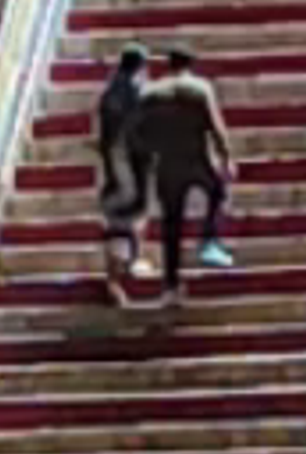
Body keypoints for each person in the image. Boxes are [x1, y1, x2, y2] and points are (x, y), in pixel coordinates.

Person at [131, 50, 235, 294]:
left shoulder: (150, 93)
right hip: (195, 158)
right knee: (217, 190)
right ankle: (208, 239)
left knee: (171, 224)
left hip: (167, 164)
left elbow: (138, 130)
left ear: (168, 65)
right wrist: (226, 156)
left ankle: (170, 283)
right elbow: (215, 125)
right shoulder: (199, 89)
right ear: (190, 65)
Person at [93, 39, 153, 266]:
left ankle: (120, 266)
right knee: (131, 214)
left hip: (112, 161)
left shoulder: (110, 91)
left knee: (116, 215)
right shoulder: (136, 91)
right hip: (130, 159)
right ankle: (124, 266)